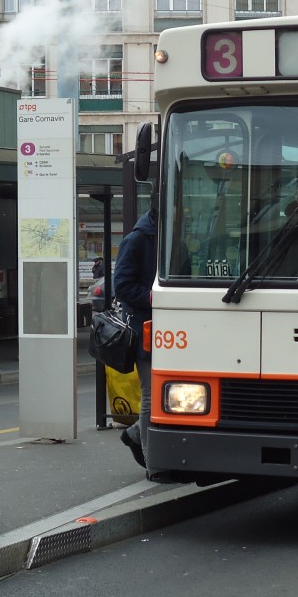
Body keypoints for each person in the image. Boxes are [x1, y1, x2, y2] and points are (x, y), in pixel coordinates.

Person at [113, 203, 160, 476]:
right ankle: (151, 460)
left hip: (168, 328)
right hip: (146, 329)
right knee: (151, 397)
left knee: (162, 396)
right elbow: (122, 285)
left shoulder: (167, 238)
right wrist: (154, 297)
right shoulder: (137, 240)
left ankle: (134, 434)